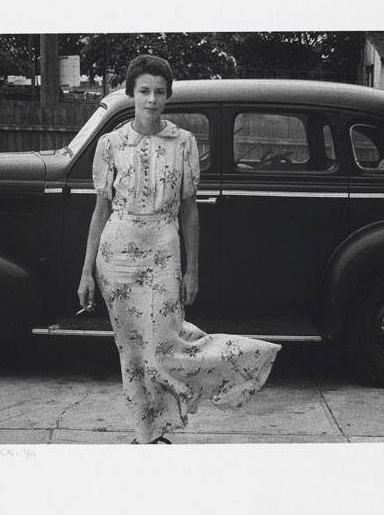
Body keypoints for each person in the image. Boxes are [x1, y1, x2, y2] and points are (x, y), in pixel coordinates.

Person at [77, 54, 281, 444]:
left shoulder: (183, 143)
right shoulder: (110, 144)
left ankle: (244, 358)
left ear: (167, 96)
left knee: (167, 344)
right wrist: (86, 272)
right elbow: (100, 209)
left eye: (158, 92)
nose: (151, 100)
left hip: (163, 253)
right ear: (131, 94)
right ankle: (150, 433)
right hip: (115, 259)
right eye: (143, 91)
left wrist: (192, 270)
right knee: (133, 353)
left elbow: (190, 212)